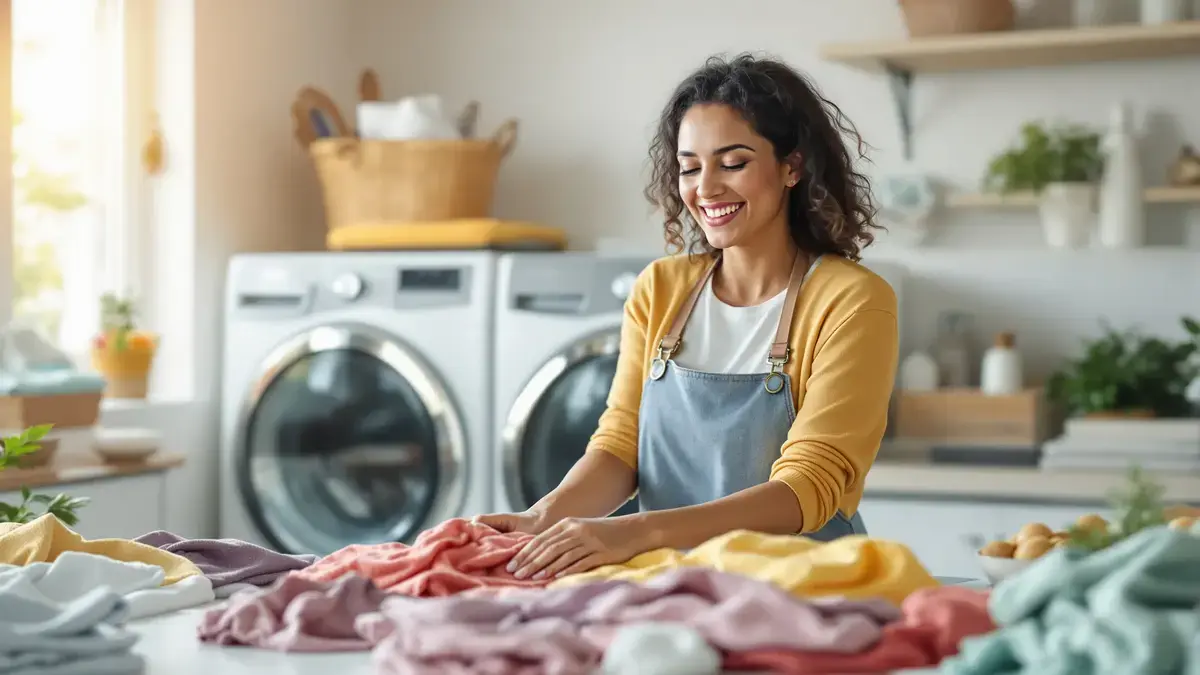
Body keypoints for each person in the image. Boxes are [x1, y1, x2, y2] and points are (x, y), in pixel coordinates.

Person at [476, 53, 898, 582]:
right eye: (690, 167)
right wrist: (542, 518)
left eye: (733, 163)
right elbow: (621, 446)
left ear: (792, 166)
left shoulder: (851, 300)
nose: (706, 188)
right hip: (674, 585)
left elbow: (808, 486)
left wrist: (636, 531)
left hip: (800, 586)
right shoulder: (661, 289)